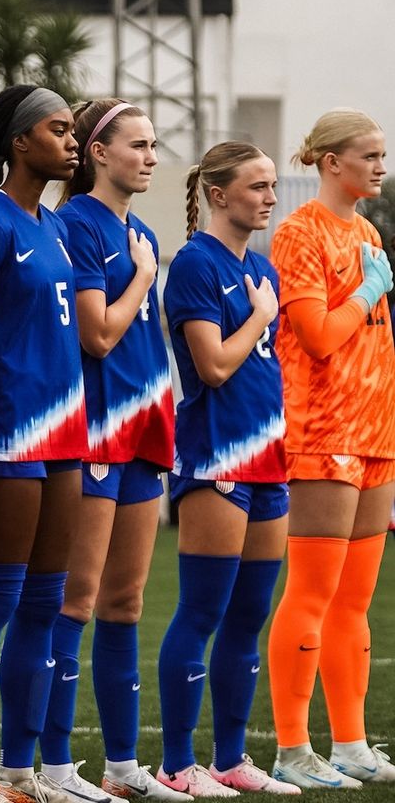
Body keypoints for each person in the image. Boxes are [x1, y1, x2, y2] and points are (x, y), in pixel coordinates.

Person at [0, 87, 85, 803]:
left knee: (45, 606)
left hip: (65, 434)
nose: (72, 141)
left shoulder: (54, 225)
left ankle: (22, 774)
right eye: (58, 130)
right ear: (20, 143)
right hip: (7, 434)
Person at [44, 99, 180, 803]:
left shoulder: (141, 230)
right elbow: (96, 335)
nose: (151, 156)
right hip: (96, 433)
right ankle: (55, 765)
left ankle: (123, 767)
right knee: (78, 598)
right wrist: (142, 279)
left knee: (125, 602)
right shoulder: (74, 224)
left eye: (155, 145)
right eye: (138, 144)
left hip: (144, 434)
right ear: (98, 152)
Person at [157, 143, 298, 797]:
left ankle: (231, 759)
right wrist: (263, 317)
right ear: (219, 194)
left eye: (272, 185)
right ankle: (178, 766)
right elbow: (212, 366)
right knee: (202, 612)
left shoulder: (262, 266)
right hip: (216, 455)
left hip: (269, 458)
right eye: (258, 186)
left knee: (249, 617)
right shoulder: (192, 264)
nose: (269, 196)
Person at [265, 109, 395, 789]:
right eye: (368, 155)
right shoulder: (299, 232)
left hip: (374, 432)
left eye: (382, 154)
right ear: (330, 162)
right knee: (313, 594)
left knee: (354, 601)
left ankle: (350, 742)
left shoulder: (367, 230)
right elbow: (316, 336)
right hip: (322, 430)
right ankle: (293, 749)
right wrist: (370, 289)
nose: (380, 165)